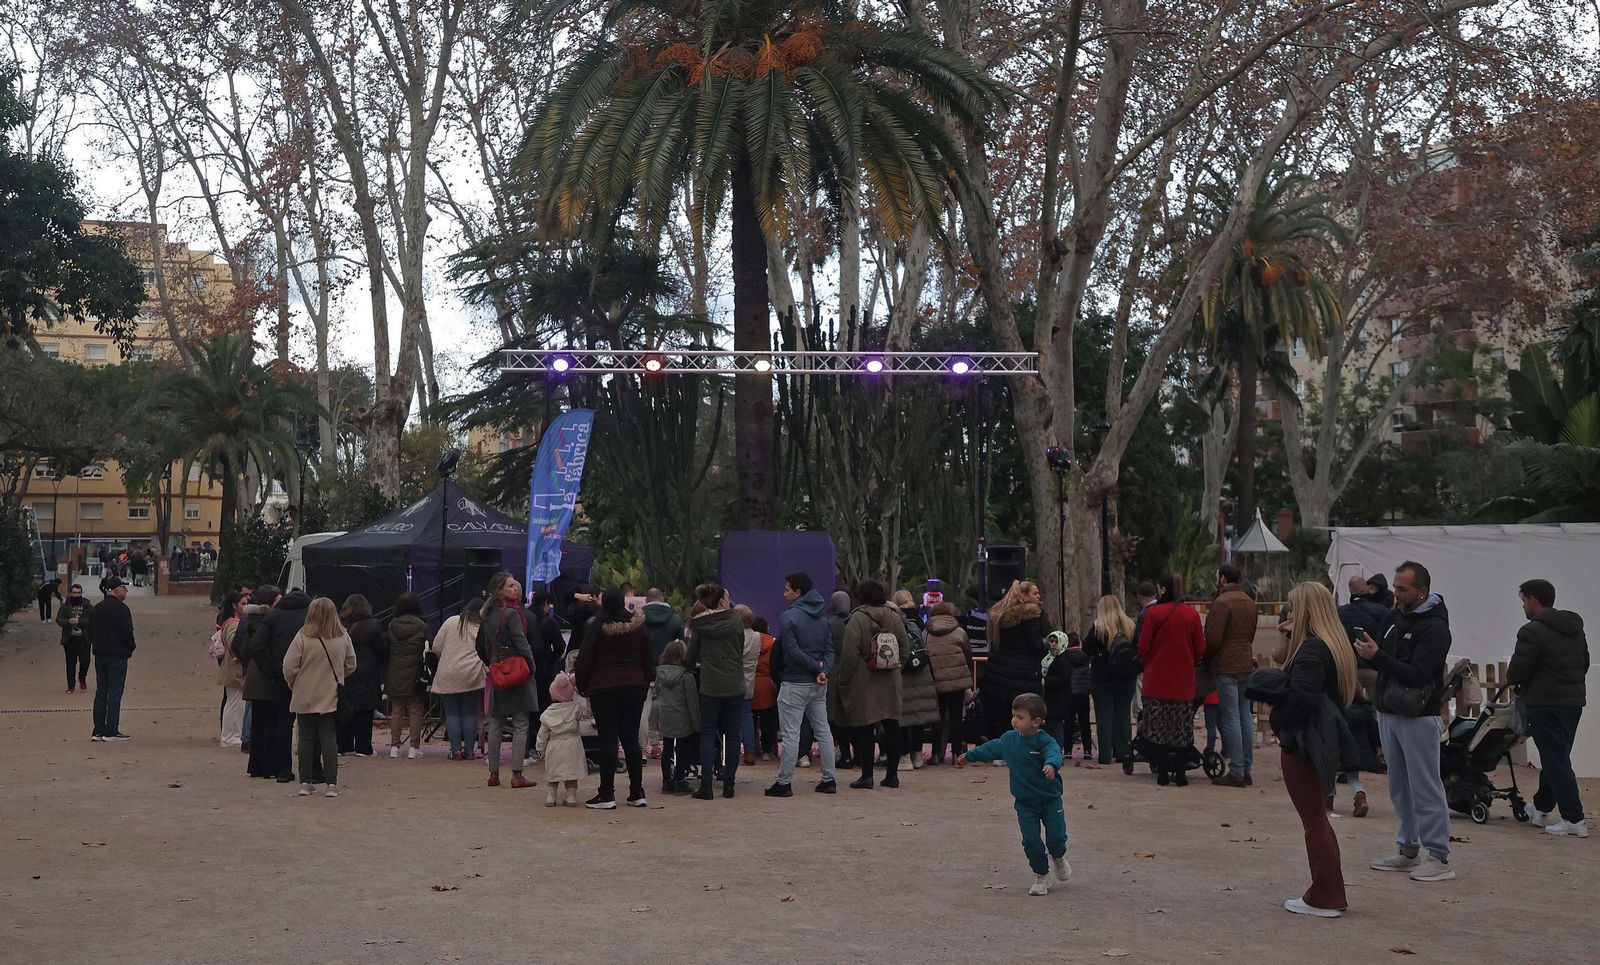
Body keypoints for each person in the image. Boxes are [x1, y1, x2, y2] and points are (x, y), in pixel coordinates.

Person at [1355, 560, 1456, 881]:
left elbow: (1418, 673)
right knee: (1399, 786)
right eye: (1395, 587)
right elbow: (1383, 654)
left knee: (1425, 785)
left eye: (1403, 589)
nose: (1395, 593)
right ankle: (1408, 849)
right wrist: (1368, 652)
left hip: (1418, 714)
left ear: (1422, 591)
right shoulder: (1394, 615)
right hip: (1388, 711)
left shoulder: (1436, 627)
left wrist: (1378, 657)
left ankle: (1439, 857)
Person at [1271, 582, 1360, 918]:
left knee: (1313, 822)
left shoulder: (1311, 650)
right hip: (1319, 740)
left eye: (1293, 607)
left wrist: (1278, 718)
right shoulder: (1331, 646)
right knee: (1318, 819)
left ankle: (1325, 895)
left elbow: (1302, 700)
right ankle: (1328, 891)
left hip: (1303, 741)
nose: (1289, 613)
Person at [957, 693, 1070, 897]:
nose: (1014, 720)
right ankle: (1041, 875)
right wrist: (969, 756)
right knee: (1030, 841)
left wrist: (1051, 764)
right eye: (1013, 715)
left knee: (1057, 838)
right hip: (1025, 803)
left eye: (1020, 717)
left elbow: (1054, 753)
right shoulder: (1009, 740)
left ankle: (1059, 857)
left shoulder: (1045, 741)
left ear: (1036, 722)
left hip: (1050, 800)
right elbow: (990, 748)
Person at [1507, 578, 1589, 838]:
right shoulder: (1575, 628)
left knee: (1555, 759)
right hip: (1573, 702)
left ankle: (1574, 819)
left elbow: (1517, 671)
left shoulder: (1530, 632)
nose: (1523, 607)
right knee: (1557, 757)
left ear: (1532, 599)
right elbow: (1584, 662)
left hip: (1545, 703)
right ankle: (1541, 809)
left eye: (1523, 601)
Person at [574, 587, 654, 809]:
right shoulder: (638, 627)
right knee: (631, 740)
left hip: (604, 688)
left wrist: (582, 685)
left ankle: (607, 794)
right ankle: (637, 792)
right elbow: (648, 656)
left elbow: (585, 657)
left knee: (608, 739)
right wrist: (645, 681)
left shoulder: (596, 627)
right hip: (634, 686)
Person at [765, 572, 839, 797]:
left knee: (790, 733)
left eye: (787, 589)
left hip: (795, 682)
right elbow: (830, 650)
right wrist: (824, 670)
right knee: (823, 730)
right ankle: (829, 779)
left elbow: (792, 650)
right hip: (819, 684)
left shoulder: (788, 618)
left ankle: (784, 782)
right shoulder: (824, 619)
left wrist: (816, 668)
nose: (784, 593)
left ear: (798, 592)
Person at [281, 597, 357, 798]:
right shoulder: (343, 636)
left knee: (305, 738)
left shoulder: (302, 637)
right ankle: (331, 784)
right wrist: (338, 678)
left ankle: (305, 782)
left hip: (304, 693)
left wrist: (294, 684)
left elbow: (289, 667)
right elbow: (351, 664)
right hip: (330, 693)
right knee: (329, 739)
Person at [1136, 574, 1206, 787]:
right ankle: (1181, 773)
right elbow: (1200, 647)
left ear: (1163, 590)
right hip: (1182, 681)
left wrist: (1149, 663)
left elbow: (1143, 646)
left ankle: (1163, 772)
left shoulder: (1153, 614)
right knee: (1182, 728)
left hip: (1156, 680)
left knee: (1158, 728)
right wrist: (1188, 660)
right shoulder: (1191, 615)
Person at [837, 579, 907, 789]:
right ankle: (892, 775)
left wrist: (845, 679)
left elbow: (849, 654)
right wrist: (895, 668)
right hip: (891, 680)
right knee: (892, 726)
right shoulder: (894, 616)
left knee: (865, 728)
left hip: (864, 680)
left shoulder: (857, 619)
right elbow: (904, 647)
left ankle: (867, 776)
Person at [478, 573, 540, 788]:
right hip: (517, 671)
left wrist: (494, 664)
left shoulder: (488, 614)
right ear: (500, 590)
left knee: (496, 721)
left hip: (498, 670)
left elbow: (485, 647)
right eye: (511, 586)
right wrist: (531, 666)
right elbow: (522, 644)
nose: (516, 589)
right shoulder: (512, 614)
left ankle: (493, 773)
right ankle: (516, 774)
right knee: (521, 722)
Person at [686, 583, 747, 800]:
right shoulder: (736, 620)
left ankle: (706, 786)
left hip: (710, 685)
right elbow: (739, 647)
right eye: (727, 597)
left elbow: (691, 657)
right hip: (735, 683)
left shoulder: (700, 626)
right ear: (721, 601)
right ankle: (729, 784)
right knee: (732, 735)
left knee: (707, 733)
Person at [1205, 564, 1259, 788]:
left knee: (1230, 717)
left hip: (1226, 664)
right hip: (1245, 661)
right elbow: (1251, 634)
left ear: (1224, 579)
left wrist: (1207, 656)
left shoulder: (1222, 603)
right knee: (1245, 715)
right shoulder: (1249, 602)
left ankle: (1236, 769)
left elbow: (1214, 638)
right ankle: (1246, 768)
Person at [980, 581, 1050, 742]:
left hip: (996, 672)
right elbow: (1036, 646)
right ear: (1024, 596)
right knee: (1021, 714)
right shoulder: (1031, 616)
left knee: (999, 715)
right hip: (1022, 674)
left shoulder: (999, 615)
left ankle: (997, 751)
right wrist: (1046, 644)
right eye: (1035, 593)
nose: (1038, 596)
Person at [1084, 594, 1139, 765]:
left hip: (1102, 678)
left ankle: (1105, 755)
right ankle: (1124, 752)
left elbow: (1086, 649)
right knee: (1123, 714)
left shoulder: (1098, 628)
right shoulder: (1129, 626)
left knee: (1104, 716)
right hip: (1126, 676)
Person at [431, 596, 488, 761]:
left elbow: (436, 646)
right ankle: (469, 751)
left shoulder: (451, 621)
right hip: (472, 674)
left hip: (448, 673)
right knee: (469, 713)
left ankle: (455, 751)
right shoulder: (481, 627)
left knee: (452, 714)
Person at [892, 589, 938, 770]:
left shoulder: (896, 621)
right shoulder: (922, 621)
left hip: (903, 674)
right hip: (921, 673)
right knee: (918, 717)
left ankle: (904, 758)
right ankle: (917, 755)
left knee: (903, 717)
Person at [925, 601, 972, 765]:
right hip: (957, 681)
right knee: (956, 718)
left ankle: (936, 754)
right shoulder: (959, 632)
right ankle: (956, 753)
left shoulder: (927, 633)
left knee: (937, 719)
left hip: (935, 681)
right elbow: (968, 656)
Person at [88, 578, 136, 741]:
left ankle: (98, 729)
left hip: (100, 655)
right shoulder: (122, 609)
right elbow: (127, 633)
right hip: (117, 655)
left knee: (101, 692)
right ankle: (111, 730)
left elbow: (89, 632)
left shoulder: (97, 608)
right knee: (115, 693)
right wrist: (130, 648)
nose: (126, 591)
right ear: (116, 590)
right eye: (124, 587)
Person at [383, 594, 429, 760]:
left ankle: (394, 747)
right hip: (415, 672)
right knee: (415, 711)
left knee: (397, 710)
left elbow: (386, 648)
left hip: (394, 671)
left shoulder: (391, 625)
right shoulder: (422, 626)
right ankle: (413, 748)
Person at [338, 595, 385, 756]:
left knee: (344, 708)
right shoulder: (373, 625)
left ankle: (343, 745)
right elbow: (381, 649)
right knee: (365, 711)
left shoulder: (339, 625)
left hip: (344, 670)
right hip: (367, 672)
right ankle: (363, 747)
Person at [656, 640, 701, 794]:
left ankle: (666, 781)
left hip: (666, 714)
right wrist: (697, 724)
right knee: (682, 749)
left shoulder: (659, 674)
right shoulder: (686, 676)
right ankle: (680, 780)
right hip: (682, 716)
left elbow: (657, 693)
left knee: (667, 749)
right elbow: (692, 702)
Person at [537, 672, 585, 807]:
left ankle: (551, 797)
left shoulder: (547, 714)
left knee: (553, 773)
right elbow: (587, 713)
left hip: (554, 745)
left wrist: (540, 749)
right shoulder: (576, 708)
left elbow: (542, 735)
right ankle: (571, 797)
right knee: (571, 774)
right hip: (573, 744)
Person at [217, 592, 248, 748]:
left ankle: (233, 734)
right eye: (243, 603)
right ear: (234, 606)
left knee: (237, 702)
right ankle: (229, 735)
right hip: (234, 667)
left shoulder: (235, 622)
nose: (246, 606)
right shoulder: (233, 624)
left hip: (235, 667)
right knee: (233, 702)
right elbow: (235, 643)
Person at [734, 604, 763, 767]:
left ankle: (733, 750)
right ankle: (750, 753)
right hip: (749, 680)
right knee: (747, 717)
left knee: (732, 718)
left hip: (733, 680)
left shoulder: (734, 636)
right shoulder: (757, 637)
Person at [1040, 631, 1075, 751]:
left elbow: (1063, 678)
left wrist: (1046, 681)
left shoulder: (1063, 659)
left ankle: (1057, 751)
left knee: (1056, 727)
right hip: (1050, 698)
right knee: (1050, 726)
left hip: (1059, 699)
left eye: (1056, 641)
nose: (1053, 644)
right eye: (1051, 641)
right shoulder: (1048, 657)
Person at [750, 616, 778, 761]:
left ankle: (752, 749)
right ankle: (769, 750)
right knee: (769, 722)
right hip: (768, 685)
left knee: (751, 721)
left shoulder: (748, 642)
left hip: (751, 684)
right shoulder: (773, 643)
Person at [56, 582, 92, 694]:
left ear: (81, 593)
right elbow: (59, 619)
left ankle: (82, 677)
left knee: (85, 661)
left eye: (78, 593)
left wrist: (79, 621)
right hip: (70, 639)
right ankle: (70, 685)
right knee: (70, 663)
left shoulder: (88, 606)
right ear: (71, 593)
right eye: (74, 593)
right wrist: (68, 622)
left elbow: (93, 619)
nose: (76, 595)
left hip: (84, 638)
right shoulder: (65, 606)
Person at [641, 587, 684, 664]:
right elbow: (682, 648)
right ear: (662, 599)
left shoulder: (637, 620)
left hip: (644, 667)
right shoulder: (676, 620)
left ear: (646, 600)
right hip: (669, 669)